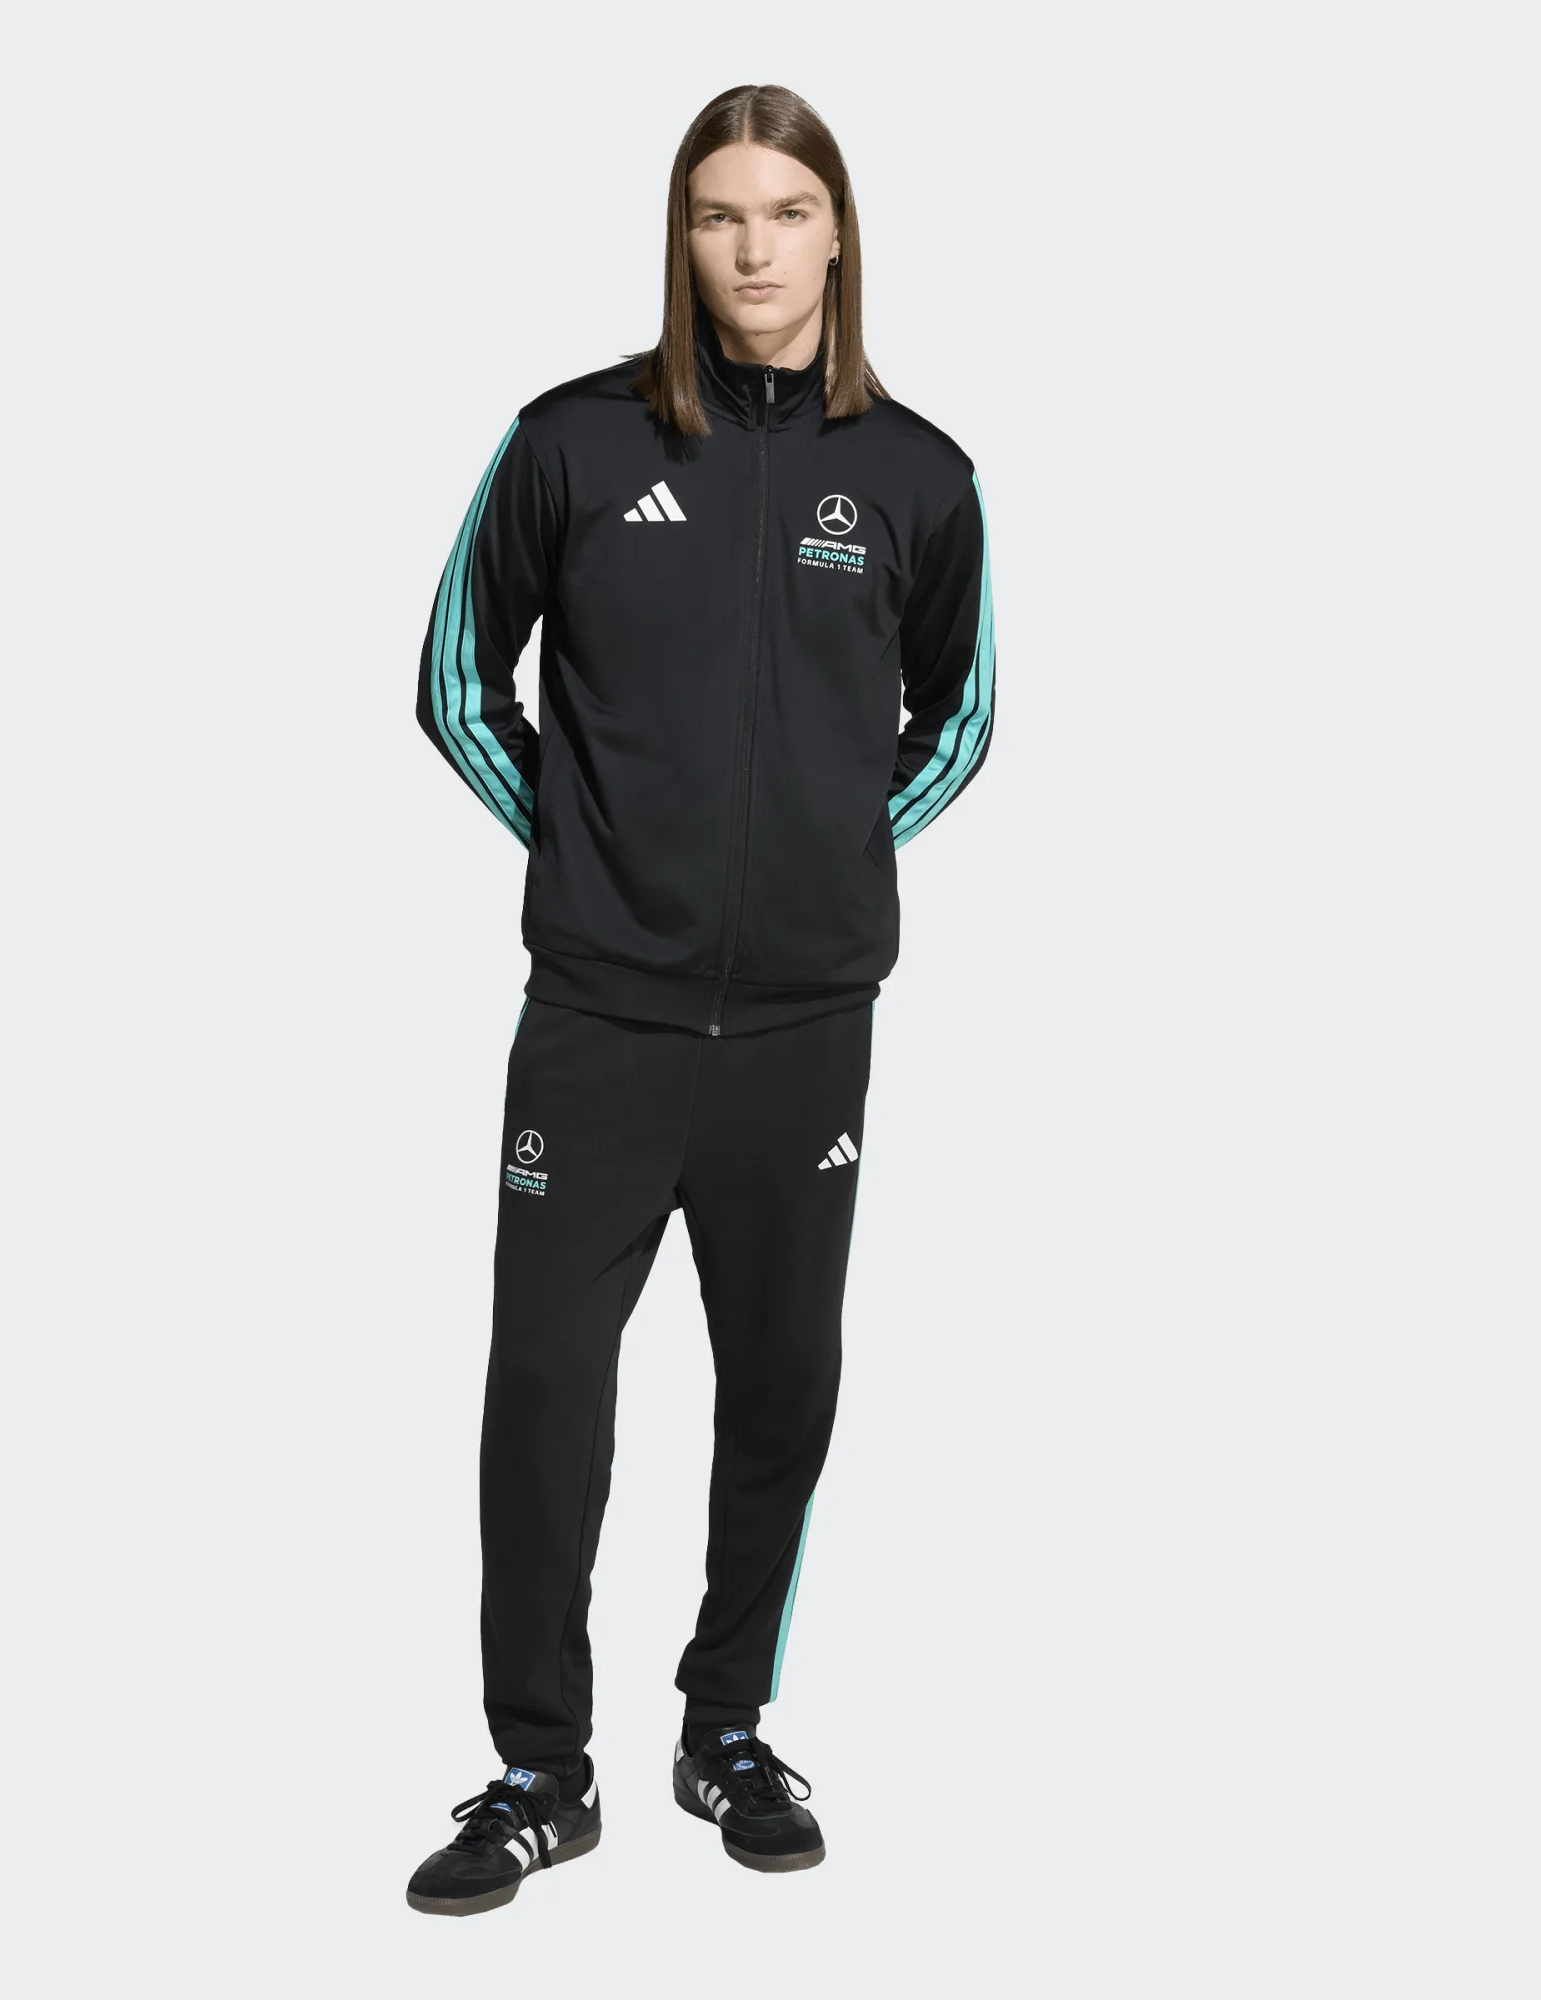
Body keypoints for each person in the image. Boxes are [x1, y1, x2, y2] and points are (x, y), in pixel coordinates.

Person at [405, 82, 995, 1916]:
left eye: (787, 213)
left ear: (839, 234)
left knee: (782, 1387)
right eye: (720, 215)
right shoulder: (572, 444)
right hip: (601, 1023)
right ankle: (538, 1767)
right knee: (545, 1389)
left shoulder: (919, 477)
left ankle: (726, 1726)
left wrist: (826, 866)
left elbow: (960, 715)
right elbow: (454, 681)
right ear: (682, 236)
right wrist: (592, 862)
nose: (754, 249)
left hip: (807, 1029)